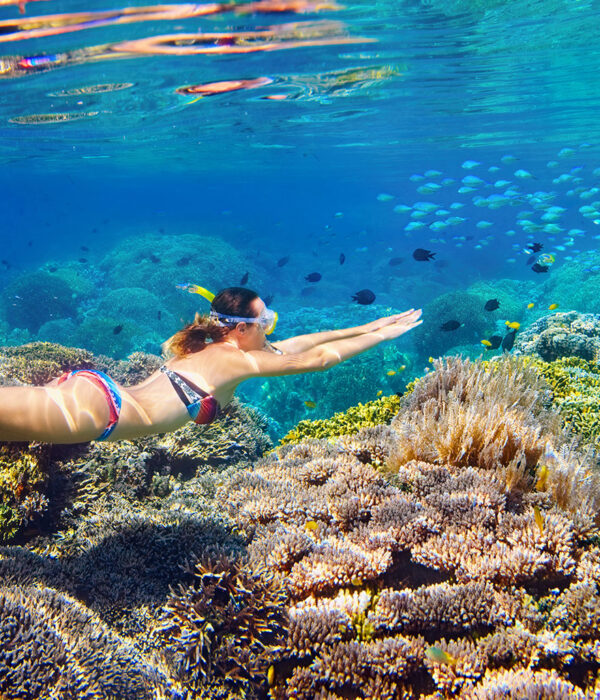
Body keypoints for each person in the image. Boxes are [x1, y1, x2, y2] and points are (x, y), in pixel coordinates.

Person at [0, 287, 422, 444]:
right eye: (265, 321)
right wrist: (384, 338)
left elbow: (302, 344)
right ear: (241, 329)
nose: (271, 327)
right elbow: (320, 360)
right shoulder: (237, 362)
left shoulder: (213, 345)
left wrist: (371, 324)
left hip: (95, 393)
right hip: (99, 412)